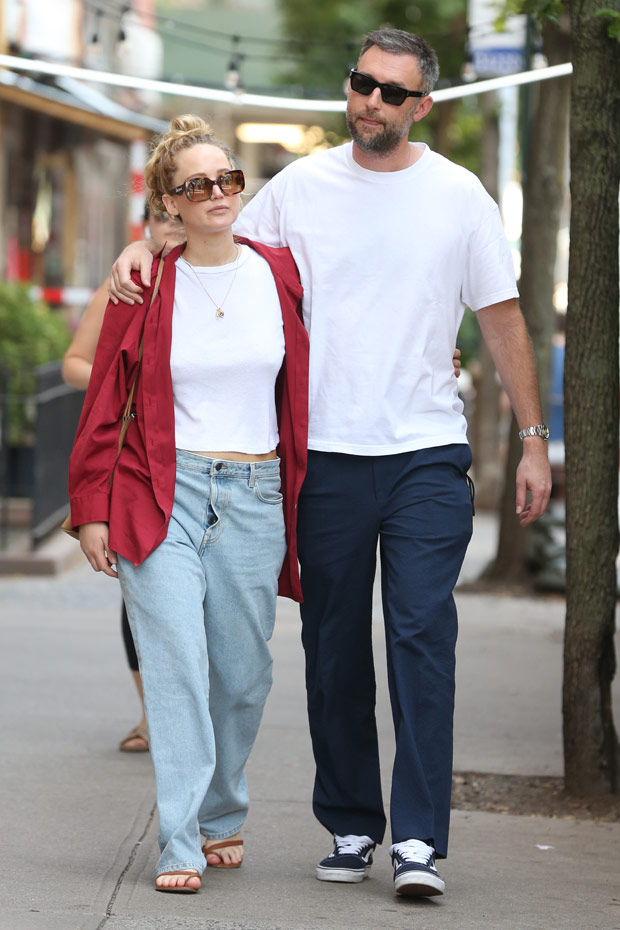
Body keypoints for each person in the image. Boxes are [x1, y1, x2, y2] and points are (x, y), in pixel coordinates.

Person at [108, 28, 552, 900]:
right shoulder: (301, 187)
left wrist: (533, 439)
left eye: (392, 92)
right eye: (362, 83)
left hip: (426, 452)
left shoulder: (458, 195)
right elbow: (212, 233)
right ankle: (351, 822)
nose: (371, 102)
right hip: (324, 459)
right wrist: (145, 245)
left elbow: (500, 316)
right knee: (334, 647)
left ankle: (418, 838)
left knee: (421, 637)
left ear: (423, 104)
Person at [67, 115, 309, 893]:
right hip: (160, 492)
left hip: (255, 493)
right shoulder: (144, 283)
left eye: (227, 179)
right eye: (196, 185)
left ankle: (221, 808)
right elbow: (103, 400)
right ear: (169, 202)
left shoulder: (281, 273)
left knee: (241, 674)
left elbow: (337, 346)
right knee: (175, 665)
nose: (216, 193)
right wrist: (91, 506)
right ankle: (179, 841)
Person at [62, 206, 186, 753]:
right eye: (161, 217)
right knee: (141, 586)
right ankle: (151, 713)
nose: (173, 225)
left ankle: (192, 712)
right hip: (136, 457)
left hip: (207, 458)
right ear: (146, 225)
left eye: (178, 215)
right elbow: (73, 362)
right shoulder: (127, 282)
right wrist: (126, 382)